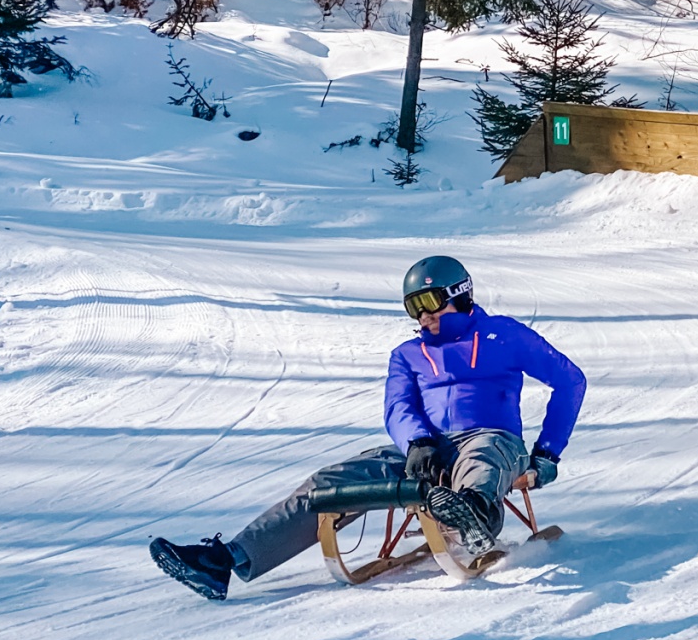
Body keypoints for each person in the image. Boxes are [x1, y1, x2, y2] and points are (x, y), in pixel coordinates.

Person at [149, 255, 587, 600]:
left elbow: (570, 380)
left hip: (492, 438)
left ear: (459, 296)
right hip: (425, 448)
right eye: (413, 308)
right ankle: (225, 560)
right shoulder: (407, 355)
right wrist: (416, 443)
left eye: (428, 304)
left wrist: (546, 454)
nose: (422, 317)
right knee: (330, 483)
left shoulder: (503, 335)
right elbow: (398, 406)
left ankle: (472, 521)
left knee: (482, 461)